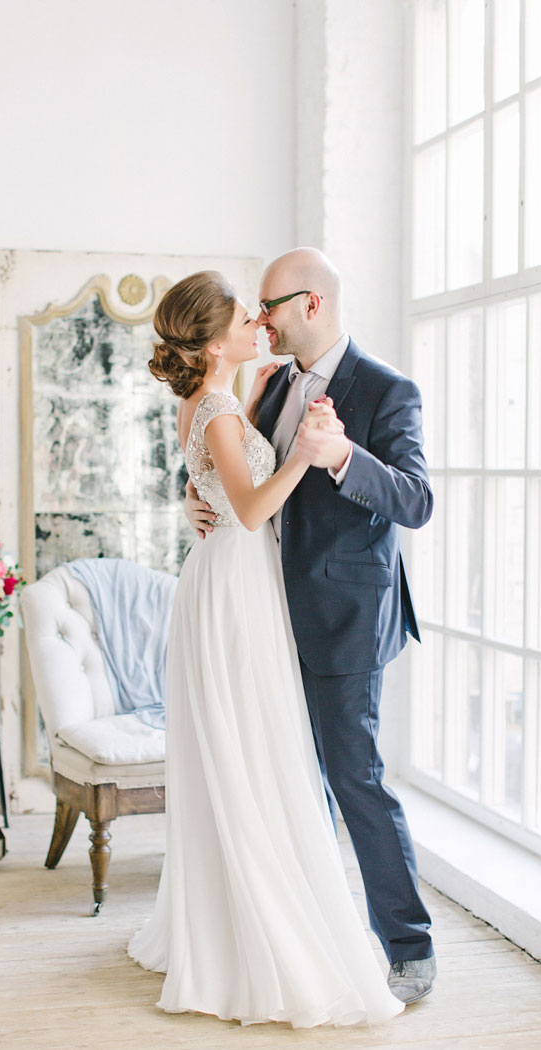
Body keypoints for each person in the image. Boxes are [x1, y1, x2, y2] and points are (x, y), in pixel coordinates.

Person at [128, 269, 404, 1028]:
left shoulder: (227, 397)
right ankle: (253, 933)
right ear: (218, 340)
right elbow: (248, 509)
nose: (261, 322)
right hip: (234, 586)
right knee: (251, 750)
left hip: (235, 583)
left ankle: (238, 918)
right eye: (248, 316)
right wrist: (308, 455)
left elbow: (220, 472)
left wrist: (211, 484)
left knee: (253, 749)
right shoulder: (215, 404)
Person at [185, 248, 437, 1005]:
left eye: (270, 305)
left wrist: (342, 456)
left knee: (353, 779)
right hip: (261, 616)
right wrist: (193, 501)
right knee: (290, 781)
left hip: (346, 619)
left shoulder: (389, 389)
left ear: (313, 304)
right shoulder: (265, 386)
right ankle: (315, 937)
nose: (259, 319)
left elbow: (417, 501)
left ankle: (409, 947)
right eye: (251, 310)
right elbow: (228, 461)